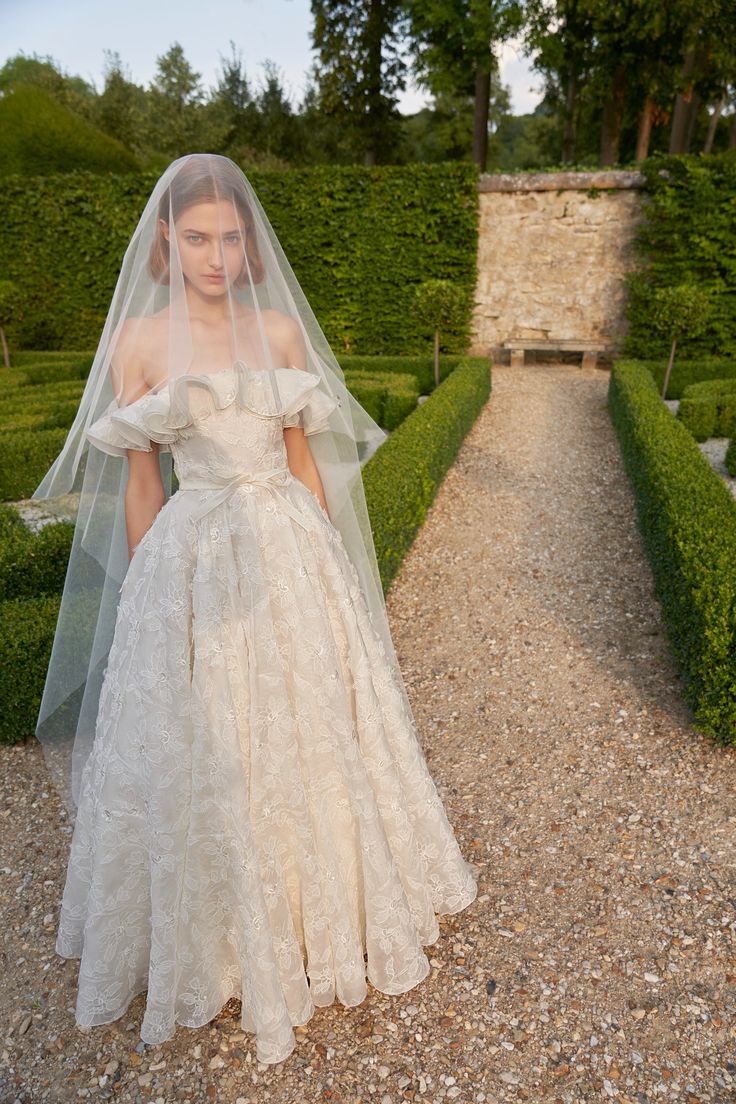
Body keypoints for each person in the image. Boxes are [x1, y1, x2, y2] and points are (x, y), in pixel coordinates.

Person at [30, 153, 477, 1065]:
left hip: (285, 541)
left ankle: (323, 914)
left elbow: (304, 461)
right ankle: (211, 939)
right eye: (197, 237)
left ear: (249, 242)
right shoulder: (142, 346)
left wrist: (332, 571)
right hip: (193, 549)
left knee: (304, 726)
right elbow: (141, 483)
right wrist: (155, 591)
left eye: (230, 237)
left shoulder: (277, 333)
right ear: (166, 239)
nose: (214, 254)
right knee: (203, 742)